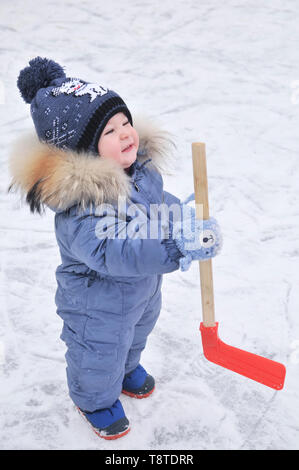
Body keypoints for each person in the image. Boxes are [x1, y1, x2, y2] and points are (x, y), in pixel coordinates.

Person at [8, 57, 222, 440]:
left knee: (137, 333)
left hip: (142, 289)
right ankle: (94, 400)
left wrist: (185, 223)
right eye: (110, 130)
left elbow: (158, 204)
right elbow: (113, 251)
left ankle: (126, 369)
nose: (127, 134)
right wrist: (175, 248)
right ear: (83, 150)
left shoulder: (138, 172)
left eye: (125, 123)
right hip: (97, 303)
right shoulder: (82, 208)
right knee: (98, 354)